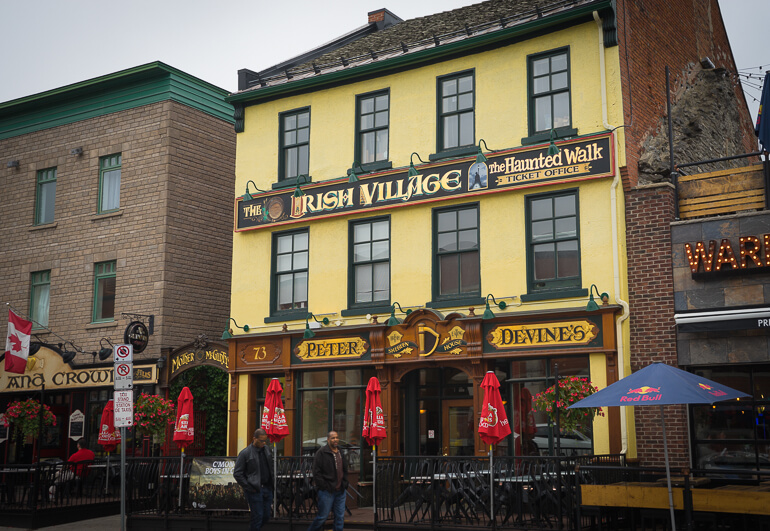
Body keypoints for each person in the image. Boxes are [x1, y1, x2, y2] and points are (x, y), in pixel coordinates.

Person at [234, 428, 273, 531]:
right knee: (258, 516)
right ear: (254, 439)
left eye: (265, 441)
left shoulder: (267, 450)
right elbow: (237, 473)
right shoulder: (245, 453)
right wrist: (249, 487)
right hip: (255, 489)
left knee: (266, 516)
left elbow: (270, 466)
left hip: (267, 487)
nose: (264, 443)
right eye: (261, 441)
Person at [307, 431, 348, 531]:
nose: (335, 440)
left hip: (340, 490)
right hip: (327, 491)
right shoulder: (321, 452)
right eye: (333, 438)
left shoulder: (340, 451)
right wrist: (324, 486)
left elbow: (345, 469)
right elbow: (316, 472)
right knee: (322, 517)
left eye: (337, 438)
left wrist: (345, 483)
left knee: (340, 517)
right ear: (328, 439)